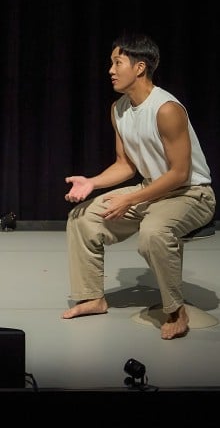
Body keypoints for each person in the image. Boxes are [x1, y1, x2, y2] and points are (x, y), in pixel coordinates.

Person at [61, 32, 214, 339]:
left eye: (118, 62)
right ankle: (93, 297)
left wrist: (131, 201)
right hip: (151, 188)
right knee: (82, 217)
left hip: (192, 194)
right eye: (111, 63)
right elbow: (125, 164)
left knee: (153, 232)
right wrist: (91, 182)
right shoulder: (119, 109)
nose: (111, 70)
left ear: (140, 67)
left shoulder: (166, 109)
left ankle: (175, 310)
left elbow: (180, 173)